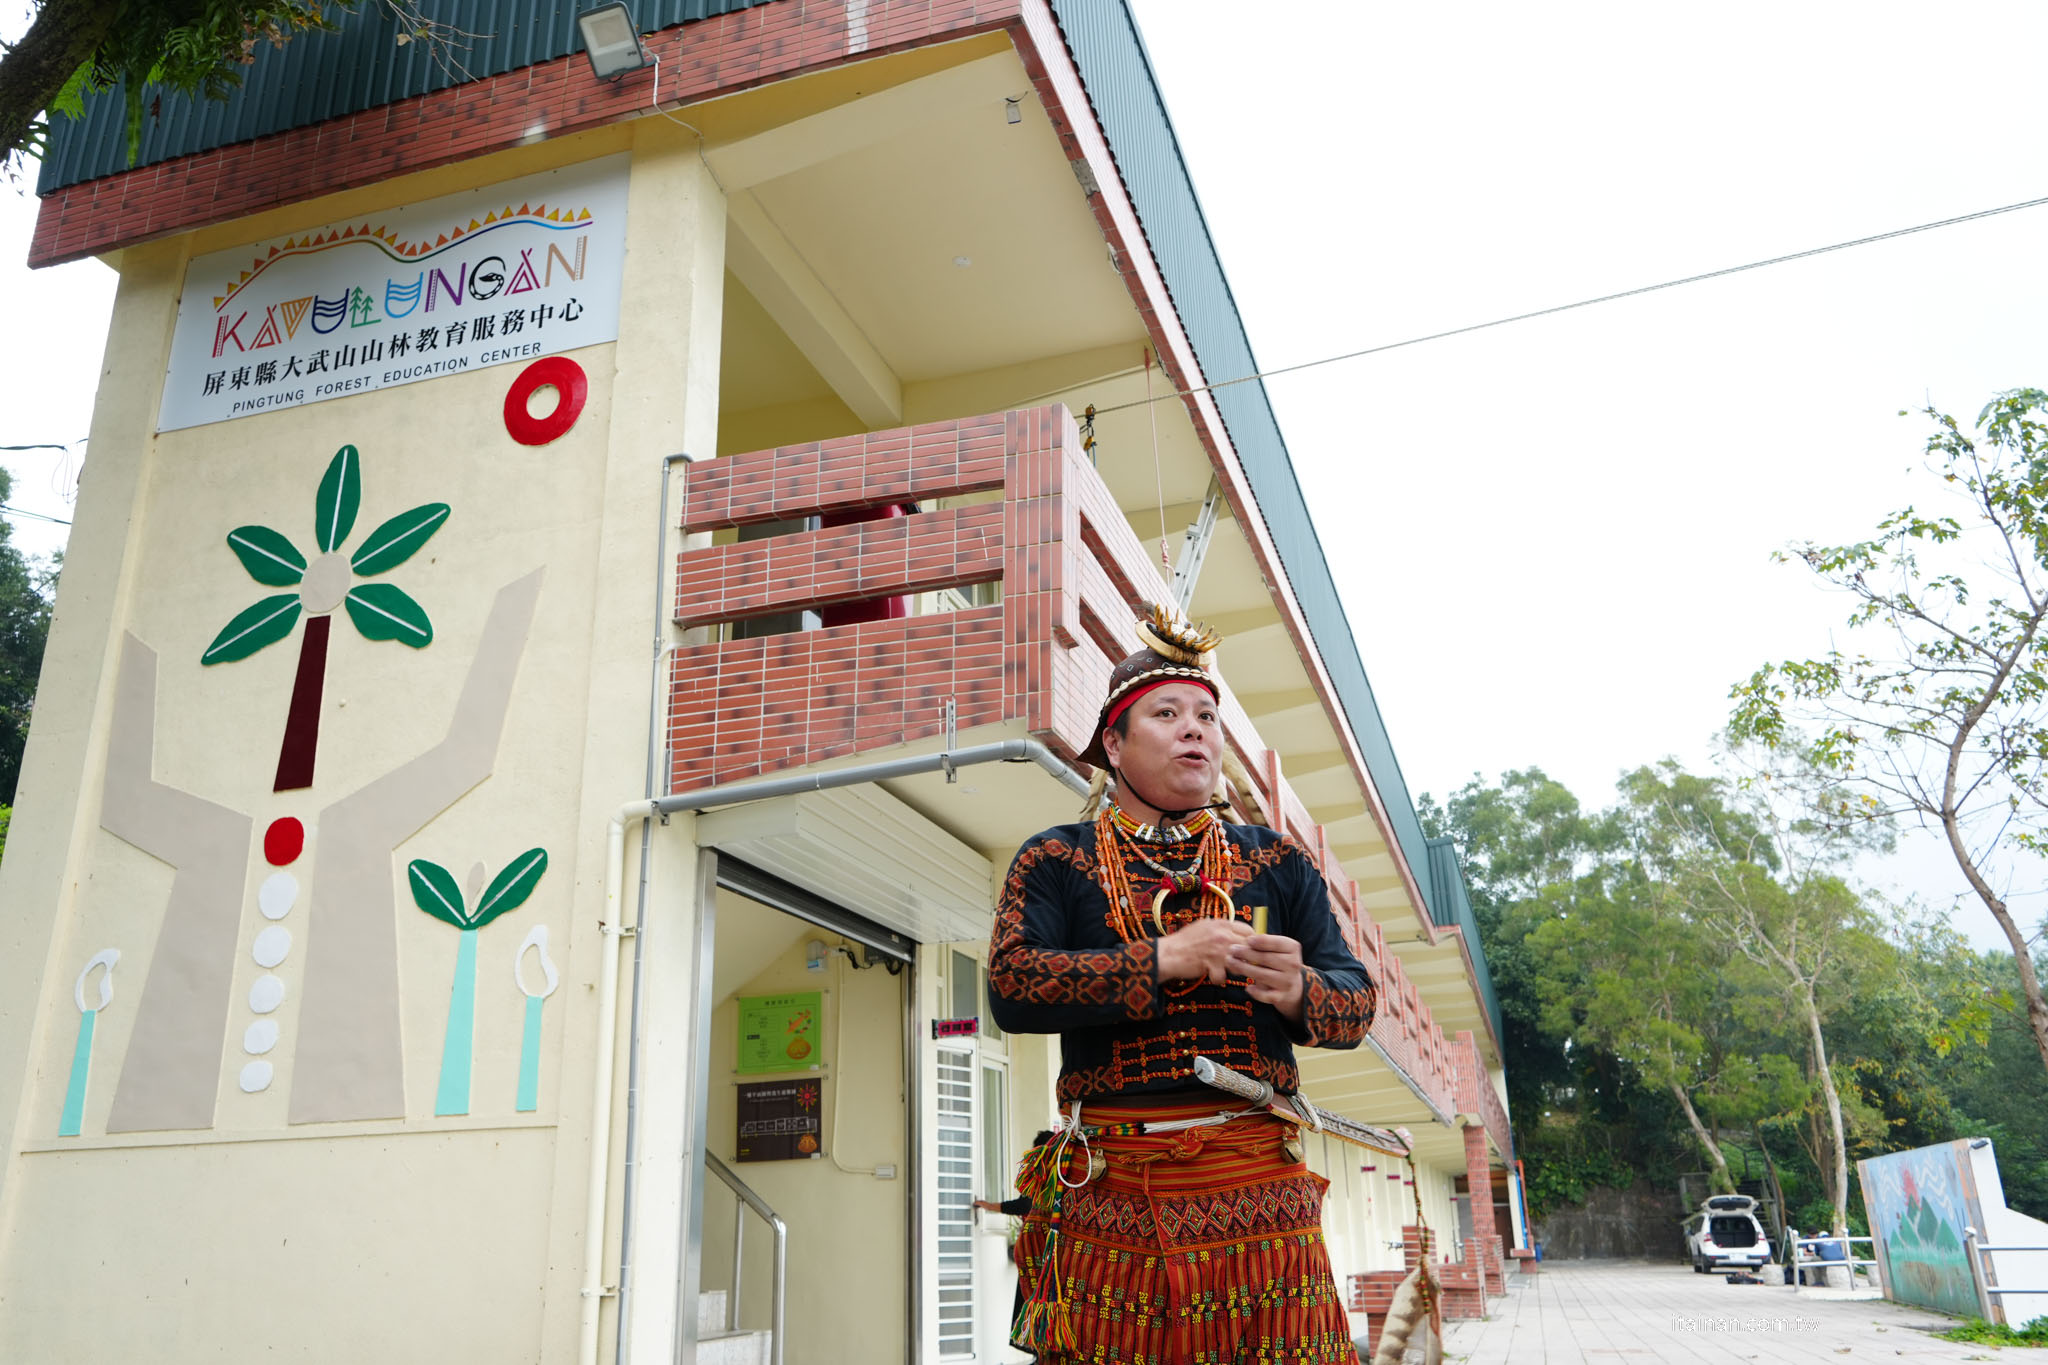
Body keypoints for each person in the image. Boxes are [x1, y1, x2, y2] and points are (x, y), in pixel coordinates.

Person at [987, 605, 1378, 1363]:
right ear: (1114, 740)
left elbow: (1356, 999)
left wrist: (1300, 989)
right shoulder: (1054, 859)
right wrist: (1163, 961)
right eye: (1166, 713)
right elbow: (1011, 983)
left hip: (1261, 1186)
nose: (1194, 728)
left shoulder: (1279, 863)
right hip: (1109, 1187)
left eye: (1206, 714)